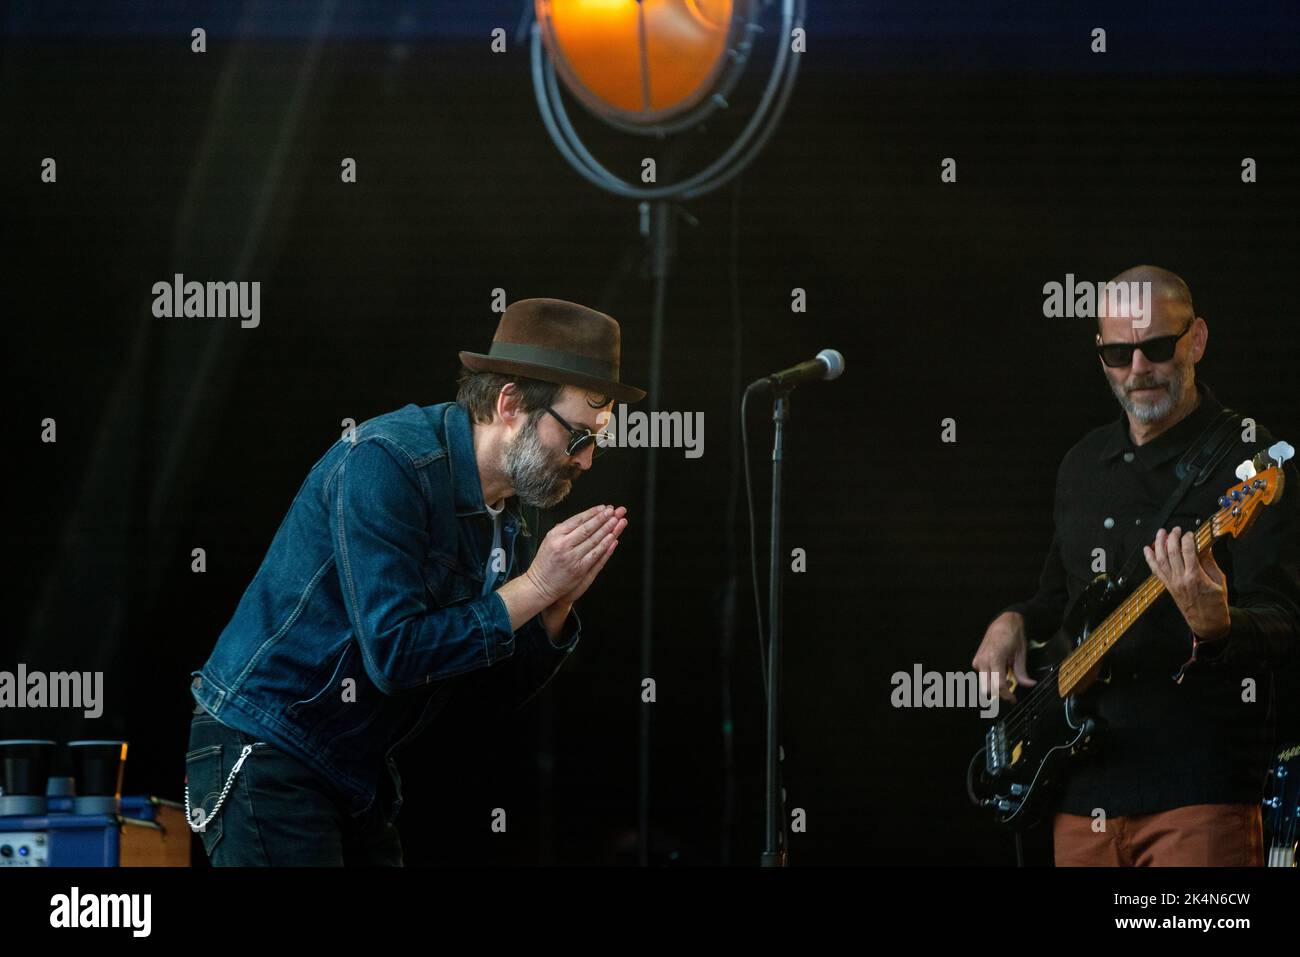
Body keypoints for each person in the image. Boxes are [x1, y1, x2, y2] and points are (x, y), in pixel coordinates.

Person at [184, 298, 644, 865]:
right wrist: (536, 587)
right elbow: (395, 652)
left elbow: (483, 695)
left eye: (597, 439)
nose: (589, 460)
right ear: (510, 404)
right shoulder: (389, 461)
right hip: (272, 746)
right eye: (578, 437)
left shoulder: (506, 518)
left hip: (357, 772)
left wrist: (553, 608)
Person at [972, 265, 1300, 866]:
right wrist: (1012, 620)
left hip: (1195, 794)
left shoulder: (1248, 463)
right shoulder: (1081, 463)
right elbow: (1057, 598)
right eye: (1119, 353)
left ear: (1196, 339)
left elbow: (1286, 620)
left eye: (1155, 346)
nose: (1137, 369)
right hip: (1080, 792)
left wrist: (1218, 626)